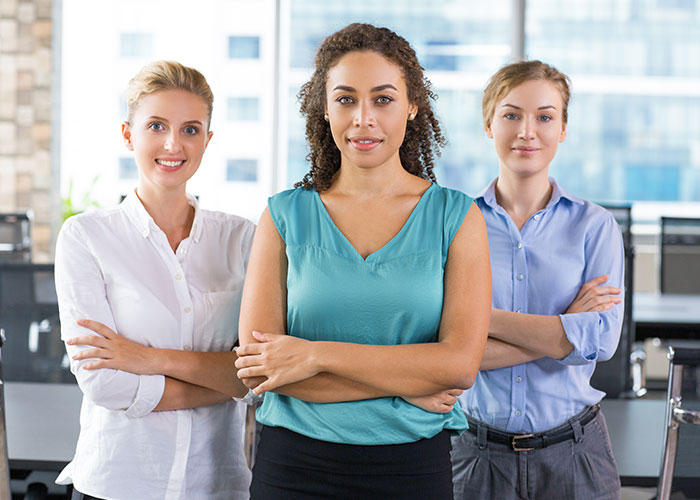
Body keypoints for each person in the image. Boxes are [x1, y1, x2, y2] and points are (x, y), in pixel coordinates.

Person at [231, 23, 491, 499]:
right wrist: (406, 383)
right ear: (324, 107)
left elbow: (457, 366)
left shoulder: (457, 217)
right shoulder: (284, 216)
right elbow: (261, 369)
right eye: (346, 99)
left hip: (413, 468)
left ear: (412, 106)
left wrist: (312, 354)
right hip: (294, 467)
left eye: (383, 99)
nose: (363, 118)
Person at [54, 60, 253, 500]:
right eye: (157, 125)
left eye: (190, 129)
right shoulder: (87, 237)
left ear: (207, 139)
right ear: (128, 134)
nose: (172, 143)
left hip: (215, 485)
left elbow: (256, 375)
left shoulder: (242, 239)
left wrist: (146, 358)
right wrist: (222, 383)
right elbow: (105, 383)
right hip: (117, 483)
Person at [450, 60, 625, 500]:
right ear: (489, 125)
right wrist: (564, 327)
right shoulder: (456, 224)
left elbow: (600, 342)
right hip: (476, 456)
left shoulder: (594, 226)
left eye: (545, 117)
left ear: (563, 129)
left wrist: (480, 318)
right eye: (511, 115)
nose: (528, 131)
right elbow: (449, 352)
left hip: (575, 454)